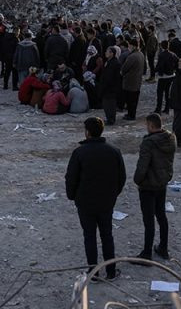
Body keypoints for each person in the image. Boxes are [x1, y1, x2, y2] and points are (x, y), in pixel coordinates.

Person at [65, 117, 126, 281]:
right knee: (107, 235)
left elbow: (71, 178)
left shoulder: (79, 153)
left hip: (85, 202)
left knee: (89, 236)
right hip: (106, 202)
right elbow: (122, 178)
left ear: (87, 132)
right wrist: (113, 194)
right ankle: (111, 271)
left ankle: (94, 272)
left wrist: (72, 196)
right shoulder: (114, 151)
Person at [133, 112, 176, 260]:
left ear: (151, 125)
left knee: (148, 220)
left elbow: (142, 165)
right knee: (161, 215)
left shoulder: (149, 142)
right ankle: (163, 248)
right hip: (162, 182)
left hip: (148, 185)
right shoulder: (170, 138)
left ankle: (146, 254)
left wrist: (138, 180)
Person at [120, 40, 146, 121]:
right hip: (137, 80)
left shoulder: (132, 56)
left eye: (130, 46)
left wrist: (122, 73)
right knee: (134, 100)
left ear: (134, 46)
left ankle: (131, 115)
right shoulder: (141, 54)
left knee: (130, 100)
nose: (129, 47)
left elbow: (124, 68)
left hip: (130, 81)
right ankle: (131, 114)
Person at [100, 46, 122, 125]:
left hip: (110, 88)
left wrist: (104, 86)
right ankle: (110, 118)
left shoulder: (114, 63)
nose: (106, 53)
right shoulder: (110, 62)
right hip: (109, 87)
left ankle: (111, 119)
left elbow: (110, 77)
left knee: (109, 104)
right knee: (108, 104)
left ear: (112, 53)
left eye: (107, 52)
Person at [154, 41, 178, 114]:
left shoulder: (161, 55)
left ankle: (158, 109)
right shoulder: (173, 54)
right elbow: (177, 62)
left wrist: (155, 70)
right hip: (171, 76)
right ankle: (167, 108)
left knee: (160, 93)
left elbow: (160, 66)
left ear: (161, 46)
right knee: (168, 93)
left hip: (163, 77)